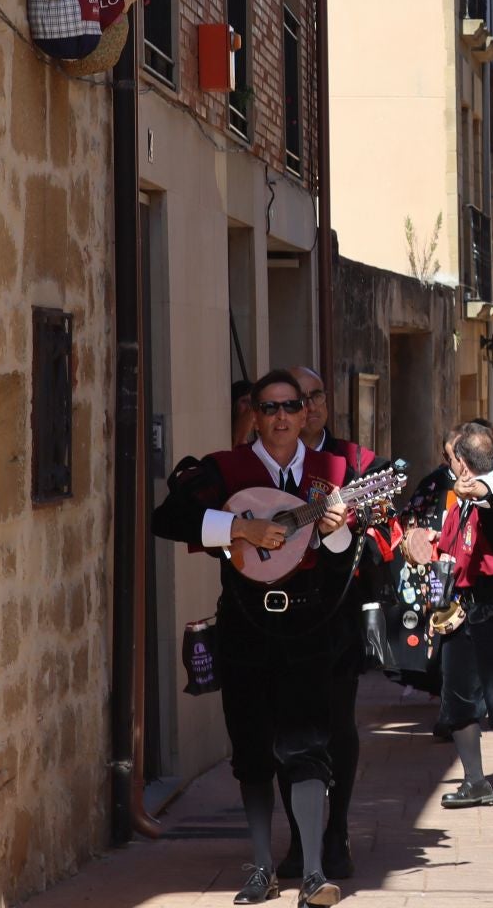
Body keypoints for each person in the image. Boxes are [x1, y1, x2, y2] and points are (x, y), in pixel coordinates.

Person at [151, 371, 358, 907]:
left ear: (306, 412)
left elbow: (343, 562)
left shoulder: (327, 475)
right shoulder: (226, 469)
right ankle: (262, 867)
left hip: (308, 629)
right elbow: (168, 518)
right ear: (256, 415)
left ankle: (313, 872)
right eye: (270, 408)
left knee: (309, 745)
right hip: (246, 625)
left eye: (291, 406)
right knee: (252, 746)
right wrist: (238, 529)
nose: (282, 417)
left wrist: (335, 531)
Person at [410, 421, 493, 809]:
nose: (450, 467)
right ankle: (475, 781)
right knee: (458, 697)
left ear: (464, 462)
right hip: (461, 608)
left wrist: (483, 487)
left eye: (452, 459)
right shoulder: (458, 498)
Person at [276, 365, 375, 881]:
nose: (307, 408)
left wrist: (339, 526)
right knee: (285, 732)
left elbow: (368, 538)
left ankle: (335, 835)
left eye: (315, 397)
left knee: (337, 728)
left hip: (334, 616)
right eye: (296, 400)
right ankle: (299, 839)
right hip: (272, 622)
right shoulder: (263, 459)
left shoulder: (352, 464)